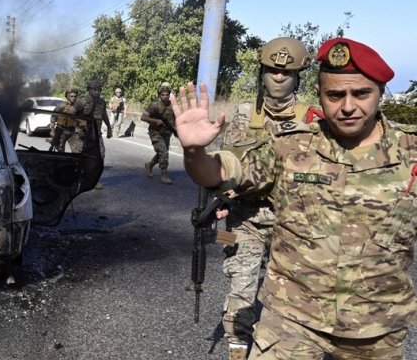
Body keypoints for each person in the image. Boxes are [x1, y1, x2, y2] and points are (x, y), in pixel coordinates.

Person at [173, 37, 417, 359]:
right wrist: (193, 151)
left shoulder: (410, 152)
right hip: (284, 303)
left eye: (360, 93)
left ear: (380, 93)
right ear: (320, 94)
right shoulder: (289, 144)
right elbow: (223, 170)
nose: (347, 106)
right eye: (334, 94)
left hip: (374, 327)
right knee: (241, 288)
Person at [217, 37, 322, 360]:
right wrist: (220, 202)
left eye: (286, 73)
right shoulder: (244, 116)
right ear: (261, 73)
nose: (278, 78)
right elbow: (225, 164)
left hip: (292, 220)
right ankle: (237, 348)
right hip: (244, 217)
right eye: (272, 71)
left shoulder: (313, 120)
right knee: (241, 286)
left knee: (292, 294)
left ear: (297, 78)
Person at [73, 79, 112, 189]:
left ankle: (94, 180)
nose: (97, 92)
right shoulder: (81, 101)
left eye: (99, 90)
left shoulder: (102, 102)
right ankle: (78, 179)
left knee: (100, 155)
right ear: (89, 89)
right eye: (94, 89)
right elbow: (72, 114)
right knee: (80, 158)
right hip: (82, 134)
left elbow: (104, 115)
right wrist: (80, 123)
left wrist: (109, 127)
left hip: (96, 134)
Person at [141, 82, 177, 185]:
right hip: (155, 132)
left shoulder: (172, 105)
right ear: (159, 94)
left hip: (167, 132)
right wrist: (155, 121)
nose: (165, 96)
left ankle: (149, 165)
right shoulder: (154, 105)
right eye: (163, 94)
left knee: (162, 152)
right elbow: (143, 117)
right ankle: (164, 175)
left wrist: (176, 130)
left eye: (167, 94)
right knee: (164, 153)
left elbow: (176, 118)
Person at [49, 88, 79, 152]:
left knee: (77, 151)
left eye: (75, 96)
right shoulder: (61, 106)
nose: (73, 98)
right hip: (61, 130)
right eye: (71, 96)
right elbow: (53, 117)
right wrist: (52, 130)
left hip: (72, 131)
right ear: (67, 96)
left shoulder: (78, 107)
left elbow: (82, 119)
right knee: (60, 151)